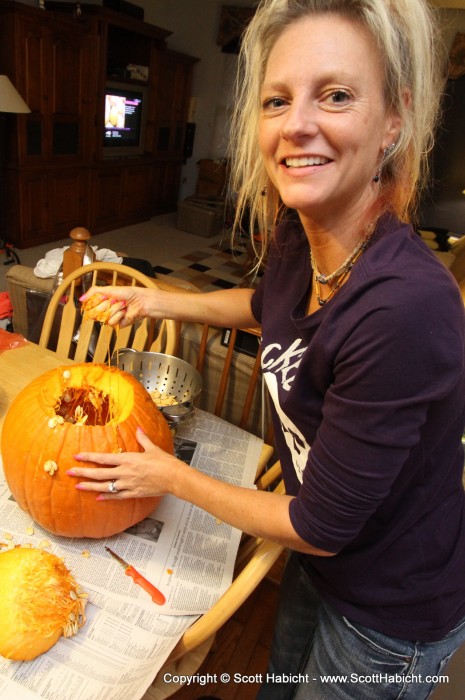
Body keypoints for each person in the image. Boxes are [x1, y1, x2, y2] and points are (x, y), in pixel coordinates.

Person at [71, 1, 465, 697]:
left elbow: (316, 525)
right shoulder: (300, 229)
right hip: (324, 560)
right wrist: (162, 300)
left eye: (336, 95)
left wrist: (169, 475)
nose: (297, 125)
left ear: (394, 119)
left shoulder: (406, 307)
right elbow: (266, 309)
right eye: (277, 100)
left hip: (388, 605)